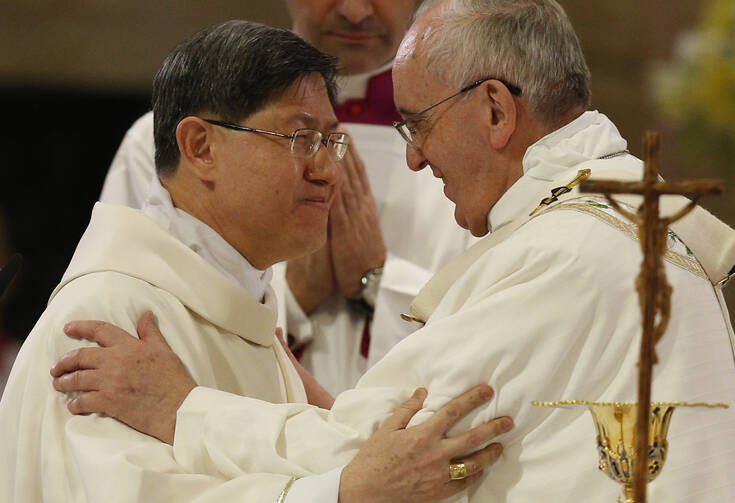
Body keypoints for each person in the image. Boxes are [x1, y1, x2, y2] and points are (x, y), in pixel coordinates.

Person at [51, 0, 735, 501]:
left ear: (495, 110)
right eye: (300, 140)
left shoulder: (564, 252)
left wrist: (181, 406)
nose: (411, 158)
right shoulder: (621, 213)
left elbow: (379, 455)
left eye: (419, 124)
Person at [0, 20, 511, 503]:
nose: (328, 172)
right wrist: (342, 494)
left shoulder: (244, 313)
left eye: (331, 142)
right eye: (301, 138)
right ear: (200, 146)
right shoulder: (109, 316)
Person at [99, 0, 475, 394]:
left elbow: (485, 341)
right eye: (300, 137)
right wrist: (285, 299)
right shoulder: (169, 140)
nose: (355, 11)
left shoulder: (468, 143)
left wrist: (379, 283)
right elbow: (138, 330)